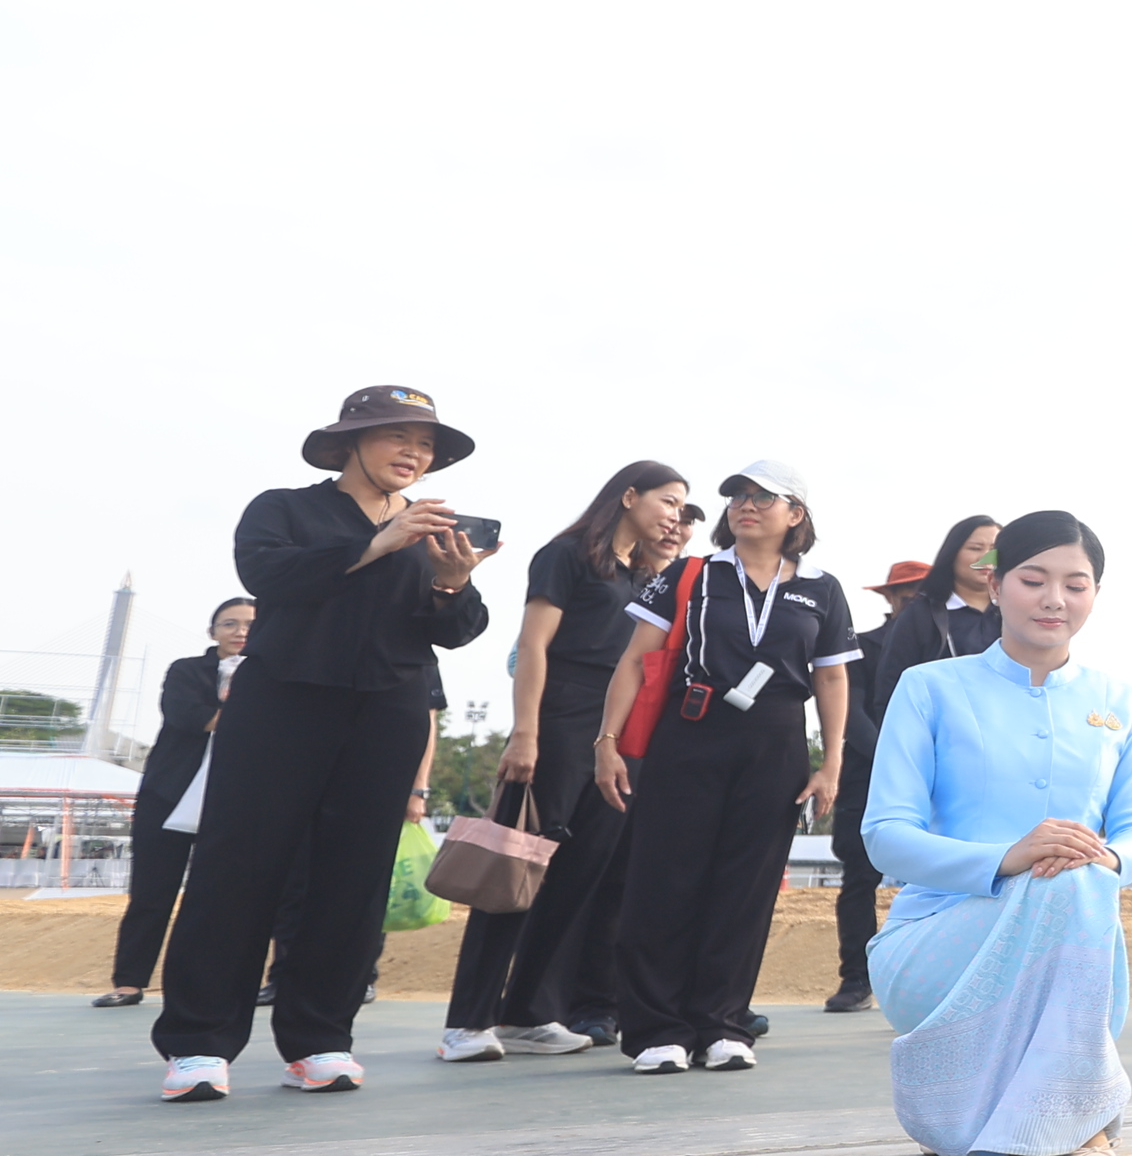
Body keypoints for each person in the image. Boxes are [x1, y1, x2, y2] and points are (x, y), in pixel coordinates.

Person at [153, 388, 495, 1101]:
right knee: (238, 866)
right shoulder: (284, 508)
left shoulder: (432, 527)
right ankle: (198, 1044)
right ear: (349, 443)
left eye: (425, 445)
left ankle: (320, 1041)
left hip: (387, 709)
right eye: (396, 436)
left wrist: (453, 581)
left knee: (352, 880)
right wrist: (376, 544)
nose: (413, 454)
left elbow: (457, 629)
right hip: (283, 702)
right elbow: (267, 576)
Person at [865, 511, 1132, 1156]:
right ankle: (1080, 1129)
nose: (1055, 599)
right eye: (1034, 580)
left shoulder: (1121, 700)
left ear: (1094, 595)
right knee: (1071, 887)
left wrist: (1107, 857)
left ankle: (1051, 1119)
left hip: (1069, 930)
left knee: (1081, 881)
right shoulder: (931, 688)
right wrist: (1006, 859)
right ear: (994, 585)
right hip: (937, 943)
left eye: (1076, 585)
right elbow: (885, 836)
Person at [594, 458, 858, 1074]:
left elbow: (832, 677)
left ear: (796, 514)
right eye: (739, 495)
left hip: (777, 743)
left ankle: (722, 1023)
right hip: (691, 733)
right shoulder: (691, 573)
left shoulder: (820, 587)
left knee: (746, 888)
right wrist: (607, 740)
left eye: (765, 497)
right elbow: (635, 660)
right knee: (665, 879)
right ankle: (658, 1029)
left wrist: (831, 763)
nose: (747, 504)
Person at [436, 463, 693, 1059]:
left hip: (617, 735)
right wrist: (525, 733)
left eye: (682, 506)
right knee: (514, 872)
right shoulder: (568, 554)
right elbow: (532, 645)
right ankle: (467, 1021)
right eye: (668, 501)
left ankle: (528, 1012)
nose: (675, 514)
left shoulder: (645, 575)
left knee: (580, 877)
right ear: (629, 496)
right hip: (560, 720)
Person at [837, 516, 1002, 1008]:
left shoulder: (1007, 616)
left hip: (984, 775)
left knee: (979, 872)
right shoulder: (914, 622)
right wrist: (908, 761)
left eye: (997, 549)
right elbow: (878, 703)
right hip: (892, 768)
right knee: (865, 874)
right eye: (975, 547)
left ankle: (976, 981)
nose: (985, 558)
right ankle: (860, 979)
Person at [99, 599, 251, 1006]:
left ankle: (203, 987)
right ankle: (129, 982)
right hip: (170, 793)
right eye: (229, 623)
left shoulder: (277, 672)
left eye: (251, 625)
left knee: (219, 898)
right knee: (151, 892)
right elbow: (186, 716)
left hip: (238, 797)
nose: (239, 631)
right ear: (212, 631)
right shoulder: (186, 670)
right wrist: (242, 714)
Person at [824, 555, 931, 1008]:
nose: (914, 605)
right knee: (859, 879)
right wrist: (898, 759)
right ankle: (857, 980)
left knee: (937, 880)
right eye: (907, 597)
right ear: (890, 598)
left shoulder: (949, 647)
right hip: (868, 777)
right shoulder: (861, 647)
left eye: (923, 597)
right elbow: (851, 713)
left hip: (936, 779)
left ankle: (930, 979)